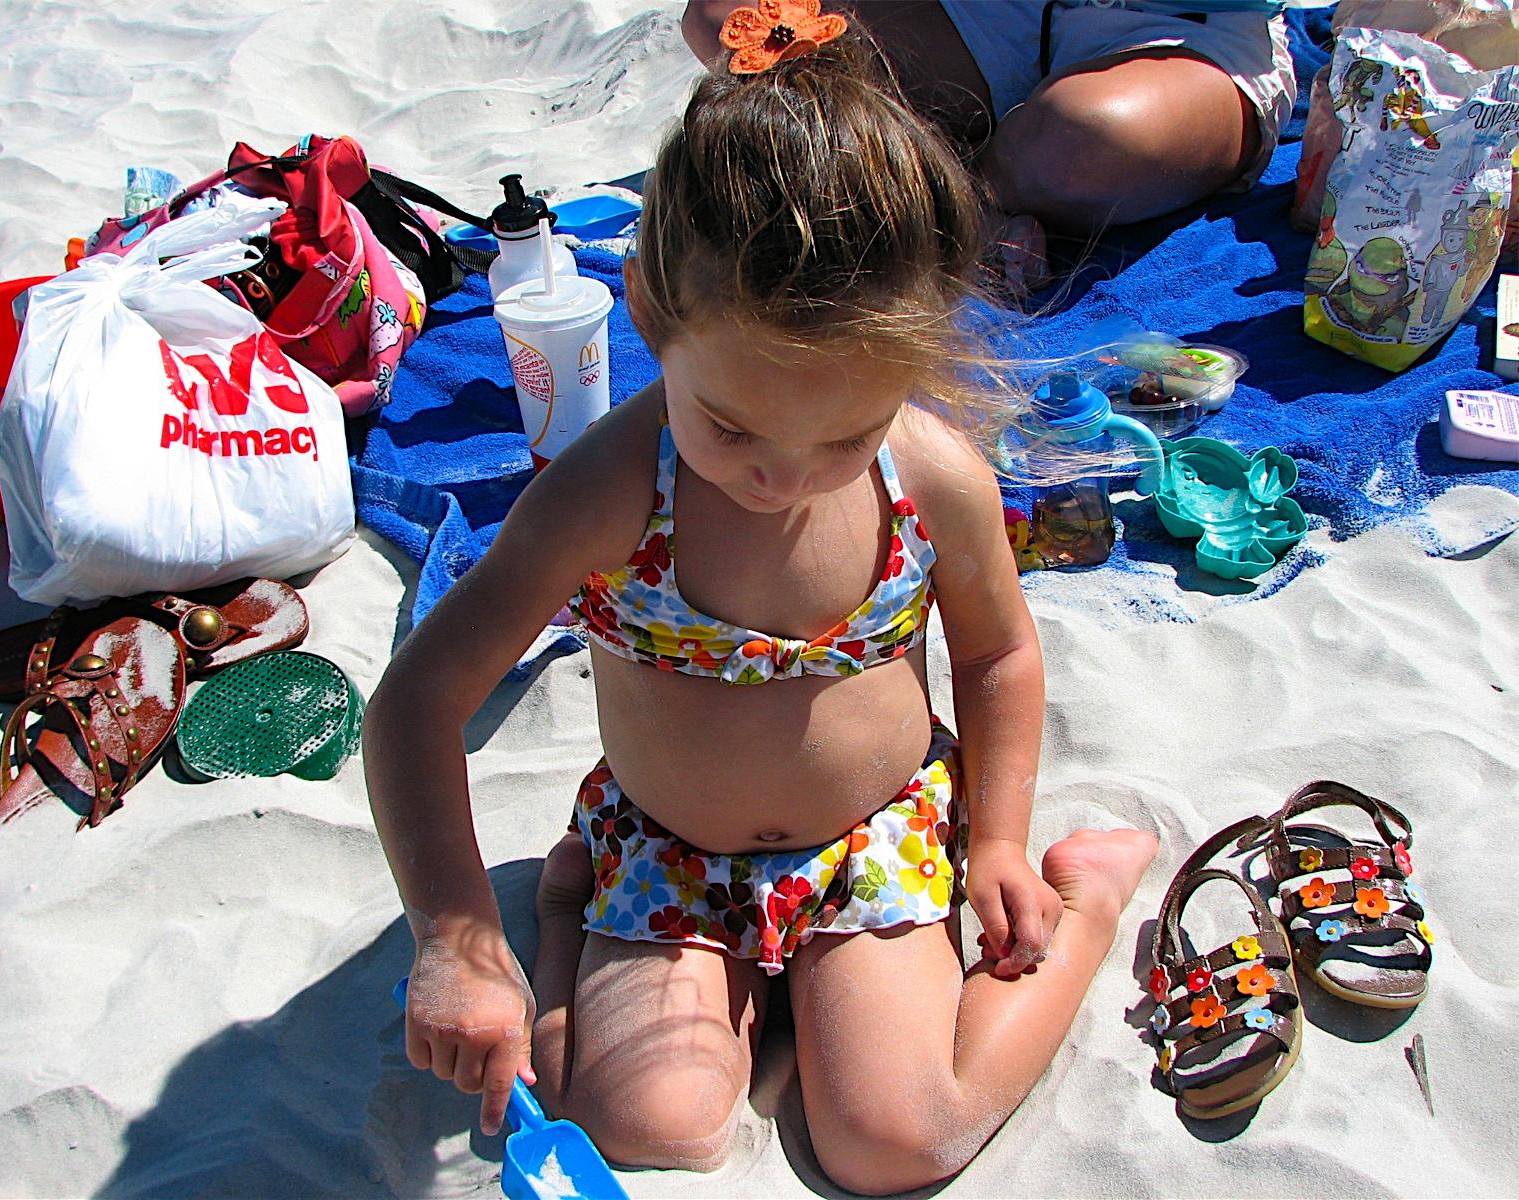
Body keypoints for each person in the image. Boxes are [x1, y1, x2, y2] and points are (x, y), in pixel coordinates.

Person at [364, 15, 1156, 1194]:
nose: (780, 475)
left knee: (895, 1142)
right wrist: (458, 939)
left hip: (875, 837)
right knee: (646, 1127)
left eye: (845, 433)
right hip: (673, 853)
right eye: (729, 425)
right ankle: (562, 915)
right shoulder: (604, 493)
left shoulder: (932, 474)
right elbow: (418, 703)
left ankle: (1083, 905)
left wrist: (994, 837)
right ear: (647, 313)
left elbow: (994, 657)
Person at [682, 0, 1297, 290]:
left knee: (1081, 139)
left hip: (1176, 24)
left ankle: (919, 184)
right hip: (998, 11)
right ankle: (961, 195)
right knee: (736, 20)